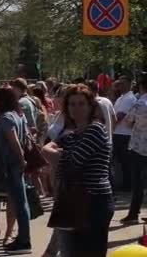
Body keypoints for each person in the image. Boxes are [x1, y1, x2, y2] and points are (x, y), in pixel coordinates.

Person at [44, 84, 113, 256]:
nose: (76, 108)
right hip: (70, 201)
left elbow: (74, 162)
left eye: (81, 104)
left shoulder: (95, 129)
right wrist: (50, 152)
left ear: (91, 106)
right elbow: (46, 148)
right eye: (72, 104)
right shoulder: (72, 133)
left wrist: (56, 156)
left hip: (93, 202)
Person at [0, 87, 32, 253]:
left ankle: (24, 240)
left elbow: (13, 141)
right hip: (16, 164)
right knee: (21, 203)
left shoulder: (6, 118)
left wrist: (21, 159)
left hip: (12, 165)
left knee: (19, 202)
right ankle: (23, 238)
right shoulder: (18, 115)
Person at [120, 72, 147, 223]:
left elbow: (127, 122)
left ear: (141, 86)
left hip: (139, 147)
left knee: (138, 183)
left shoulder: (140, 104)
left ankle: (133, 214)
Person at [112, 76, 137, 191]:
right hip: (117, 133)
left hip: (125, 134)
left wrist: (109, 125)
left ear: (128, 84)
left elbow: (120, 116)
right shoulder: (120, 98)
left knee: (126, 161)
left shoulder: (130, 98)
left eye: (122, 83)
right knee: (120, 161)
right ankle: (125, 183)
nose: (119, 86)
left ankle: (128, 185)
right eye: (119, 83)